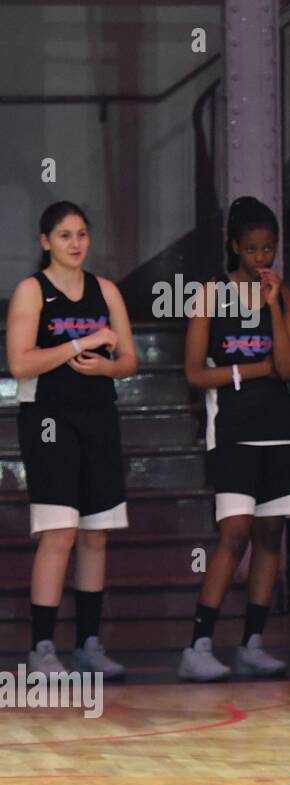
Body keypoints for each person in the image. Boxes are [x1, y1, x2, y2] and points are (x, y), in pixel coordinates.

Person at [5, 201, 136, 678]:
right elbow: (20, 364)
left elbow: (128, 359)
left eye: (82, 233)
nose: (76, 243)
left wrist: (106, 365)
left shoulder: (106, 291)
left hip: (98, 415)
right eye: (64, 235)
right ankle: (42, 648)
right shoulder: (31, 291)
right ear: (45, 242)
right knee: (59, 532)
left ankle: (88, 644)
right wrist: (79, 345)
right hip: (49, 418)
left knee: (95, 534)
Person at [179, 197, 290, 680]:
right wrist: (253, 370)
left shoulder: (286, 297)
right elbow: (194, 373)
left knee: (271, 534)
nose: (261, 259)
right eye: (252, 249)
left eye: (268, 249)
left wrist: (273, 306)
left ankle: (253, 641)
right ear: (235, 247)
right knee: (234, 534)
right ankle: (199, 644)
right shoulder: (210, 297)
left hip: (279, 430)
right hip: (232, 431)